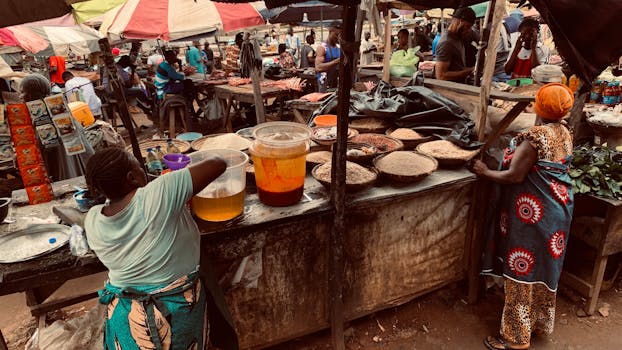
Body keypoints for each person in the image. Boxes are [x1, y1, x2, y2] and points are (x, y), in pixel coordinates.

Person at [84, 147, 227, 350]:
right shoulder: (157, 193)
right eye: (137, 163)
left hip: (126, 320)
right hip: (173, 313)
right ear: (131, 177)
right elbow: (218, 162)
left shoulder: (92, 219)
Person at [472, 83, 575, 350]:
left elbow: (514, 176)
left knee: (523, 270)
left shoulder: (535, 137)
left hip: (535, 214)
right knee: (543, 268)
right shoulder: (564, 131)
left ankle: (515, 338)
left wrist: (484, 171)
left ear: (539, 107)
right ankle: (537, 323)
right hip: (557, 210)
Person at [20, 73, 94, 181]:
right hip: (77, 169)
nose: (20, 96)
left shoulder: (44, 116)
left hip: (63, 174)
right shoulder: (55, 108)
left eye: (22, 92)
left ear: (32, 93)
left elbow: (49, 152)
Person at [435, 7, 476, 82]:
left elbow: (457, 67)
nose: (468, 30)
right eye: (468, 26)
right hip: (451, 90)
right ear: (461, 21)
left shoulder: (458, 38)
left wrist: (471, 69)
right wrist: (467, 72)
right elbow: (441, 76)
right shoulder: (446, 43)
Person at [315, 25, 342, 92]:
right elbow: (318, 67)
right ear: (330, 32)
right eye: (336, 35)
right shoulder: (322, 47)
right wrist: (336, 61)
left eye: (339, 35)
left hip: (335, 81)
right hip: (324, 82)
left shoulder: (339, 47)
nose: (338, 37)